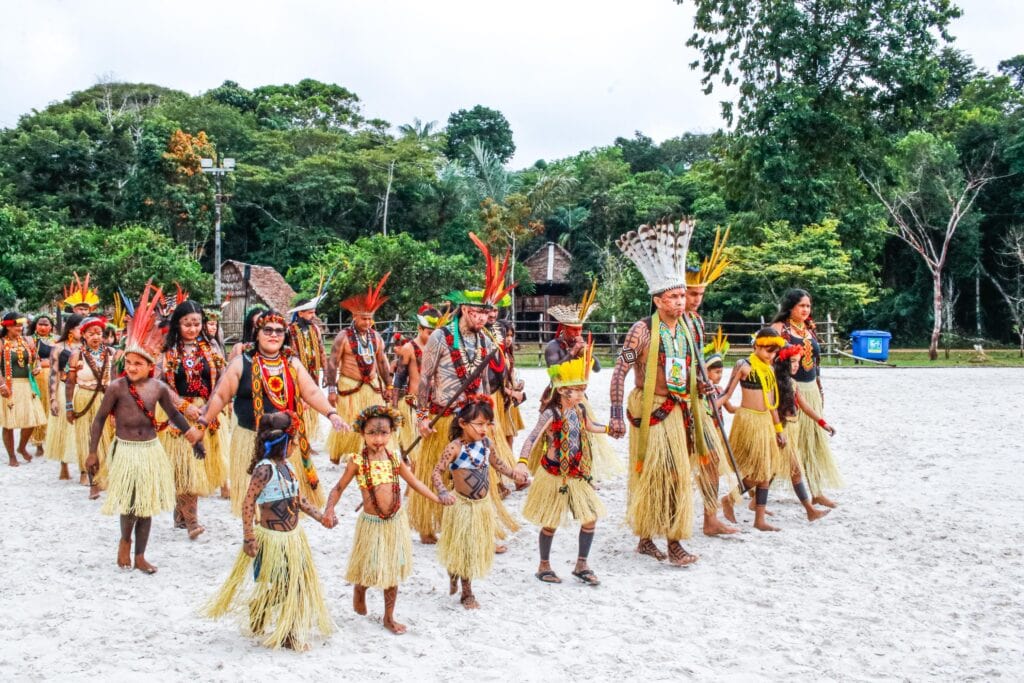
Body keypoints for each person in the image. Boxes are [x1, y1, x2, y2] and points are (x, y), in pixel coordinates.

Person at [86, 284, 203, 573]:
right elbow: (99, 419)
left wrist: (193, 438)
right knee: (130, 502)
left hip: (150, 449)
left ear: (150, 366)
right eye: (128, 362)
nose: (132, 367)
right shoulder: (116, 388)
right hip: (125, 449)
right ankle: (125, 540)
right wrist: (92, 452)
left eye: (138, 363)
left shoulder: (158, 388)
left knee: (147, 505)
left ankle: (141, 555)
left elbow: (174, 415)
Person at [608, 219, 705, 566]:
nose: (681, 302)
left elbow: (691, 370)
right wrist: (616, 415)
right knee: (652, 472)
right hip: (649, 408)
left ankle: (672, 539)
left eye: (682, 296)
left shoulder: (689, 328)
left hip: (678, 409)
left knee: (677, 473)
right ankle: (649, 537)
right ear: (657, 300)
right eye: (673, 297)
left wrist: (701, 385)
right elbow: (620, 371)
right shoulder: (641, 332)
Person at [409, 233, 514, 545]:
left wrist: (488, 417)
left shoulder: (485, 341)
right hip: (443, 415)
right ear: (466, 310)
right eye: (478, 312)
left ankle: (481, 529)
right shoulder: (440, 337)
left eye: (487, 313)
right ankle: (428, 524)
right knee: (437, 469)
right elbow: (425, 379)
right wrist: (422, 417)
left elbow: (483, 383)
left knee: (476, 472)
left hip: (471, 419)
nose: (484, 318)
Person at [204, 411, 334, 650]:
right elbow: (248, 503)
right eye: (293, 441)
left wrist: (321, 517)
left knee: (295, 585)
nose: (296, 445)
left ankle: (260, 607)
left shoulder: (288, 466)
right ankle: (288, 635)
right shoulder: (264, 469)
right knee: (290, 587)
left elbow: (300, 500)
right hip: (272, 540)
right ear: (282, 442)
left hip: (293, 538)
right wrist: (248, 537)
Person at [200, 309, 350, 515]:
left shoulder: (291, 362)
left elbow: (312, 392)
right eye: (268, 330)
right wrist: (202, 423)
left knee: (285, 502)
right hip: (250, 440)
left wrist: (332, 414)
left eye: (279, 331)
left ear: (284, 335)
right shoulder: (241, 363)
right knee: (255, 504)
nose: (273, 335)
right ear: (257, 334)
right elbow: (220, 396)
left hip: (285, 442)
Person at [323, 405, 448, 635]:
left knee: (391, 569)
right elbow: (338, 488)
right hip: (371, 524)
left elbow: (415, 483)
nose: (378, 439)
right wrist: (329, 509)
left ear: (392, 433)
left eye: (383, 433)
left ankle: (389, 617)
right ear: (362, 433)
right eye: (372, 433)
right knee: (368, 566)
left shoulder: (395, 459)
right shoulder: (357, 461)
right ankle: (360, 589)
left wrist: (438, 498)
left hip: (394, 524)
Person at [518, 338, 607, 586]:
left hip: (576, 473)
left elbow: (590, 426)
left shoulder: (580, 410)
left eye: (582, 389)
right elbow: (532, 437)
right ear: (561, 390)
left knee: (590, 517)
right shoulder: (551, 413)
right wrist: (522, 462)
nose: (580, 394)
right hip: (554, 474)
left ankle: (582, 564)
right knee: (551, 521)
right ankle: (544, 565)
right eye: (575, 390)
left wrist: (610, 429)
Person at [432, 396, 525, 609]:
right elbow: (436, 472)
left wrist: (514, 474)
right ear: (462, 423)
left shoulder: (486, 444)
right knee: (464, 548)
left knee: (472, 547)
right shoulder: (454, 448)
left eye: (488, 424)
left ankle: (459, 575)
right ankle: (467, 593)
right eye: (480, 424)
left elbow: (499, 465)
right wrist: (443, 491)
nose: (484, 429)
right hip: (462, 506)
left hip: (481, 506)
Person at [683, 229, 741, 536]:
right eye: (690, 294)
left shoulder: (697, 322)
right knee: (674, 466)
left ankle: (710, 519)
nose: (696, 300)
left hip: (699, 401)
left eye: (700, 294)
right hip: (670, 404)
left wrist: (702, 381)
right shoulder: (652, 326)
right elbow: (629, 359)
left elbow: (694, 362)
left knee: (712, 459)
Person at [156, 300, 227, 539]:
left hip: (206, 413)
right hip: (177, 415)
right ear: (177, 324)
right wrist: (183, 406)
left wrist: (209, 406)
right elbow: (159, 383)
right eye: (187, 324)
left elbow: (222, 380)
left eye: (197, 324)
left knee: (195, 466)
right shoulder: (167, 351)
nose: (193, 329)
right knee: (186, 467)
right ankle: (192, 520)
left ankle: (181, 513)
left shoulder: (212, 348)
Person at [543, 280, 621, 482]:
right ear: (563, 329)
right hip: (558, 397)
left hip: (579, 397)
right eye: (573, 330)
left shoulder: (581, 345)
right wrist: (571, 353)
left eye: (579, 330)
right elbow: (554, 373)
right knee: (557, 437)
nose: (577, 334)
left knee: (584, 435)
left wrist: (587, 353)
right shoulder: (553, 347)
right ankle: (556, 473)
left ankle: (584, 473)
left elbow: (597, 368)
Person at [771, 289, 841, 507]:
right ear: (790, 307)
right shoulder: (779, 329)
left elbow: (816, 364)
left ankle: (816, 491)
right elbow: (767, 358)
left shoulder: (809, 329)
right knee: (787, 444)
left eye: (808, 306)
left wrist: (819, 388)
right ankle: (756, 490)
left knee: (813, 442)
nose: (805, 310)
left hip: (811, 390)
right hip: (791, 390)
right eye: (801, 305)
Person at [717, 328, 789, 532]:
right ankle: (730, 499)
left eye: (774, 352)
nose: (771, 355)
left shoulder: (769, 369)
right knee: (760, 472)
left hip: (765, 422)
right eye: (767, 350)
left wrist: (778, 429)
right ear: (756, 346)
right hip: (748, 421)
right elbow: (727, 393)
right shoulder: (744, 365)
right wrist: (710, 406)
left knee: (766, 471)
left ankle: (759, 519)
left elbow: (772, 404)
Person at [325, 274, 394, 465]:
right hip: (349, 385)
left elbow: (382, 363)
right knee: (348, 419)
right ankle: (339, 450)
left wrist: (389, 386)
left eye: (370, 319)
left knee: (372, 419)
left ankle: (367, 450)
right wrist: (331, 390)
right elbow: (332, 363)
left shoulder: (376, 337)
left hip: (372, 386)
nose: (368, 323)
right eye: (364, 319)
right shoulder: (343, 337)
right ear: (355, 317)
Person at [773, 344, 833, 522]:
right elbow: (771, 409)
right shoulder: (774, 383)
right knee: (795, 471)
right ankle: (810, 510)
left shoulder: (792, 383)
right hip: (781, 431)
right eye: (793, 361)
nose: (796, 366)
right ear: (784, 362)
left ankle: (738, 500)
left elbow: (805, 406)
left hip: (792, 429)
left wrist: (822, 423)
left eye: (798, 362)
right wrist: (778, 430)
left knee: (768, 473)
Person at [66, 315, 119, 499]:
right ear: (84, 335)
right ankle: (93, 482)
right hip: (85, 399)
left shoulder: (112, 352)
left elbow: (118, 378)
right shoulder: (77, 355)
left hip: (107, 399)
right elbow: (70, 383)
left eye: (98, 333)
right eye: (91, 333)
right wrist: (69, 407)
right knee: (89, 441)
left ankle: (107, 477)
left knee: (109, 440)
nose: (95, 337)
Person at [391, 303, 452, 459]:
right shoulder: (408, 348)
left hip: (436, 405)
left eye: (436, 333)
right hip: (414, 404)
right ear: (419, 328)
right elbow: (399, 378)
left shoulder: (442, 348)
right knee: (414, 454)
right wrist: (394, 406)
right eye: (430, 333)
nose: (433, 337)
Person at [1, 313, 47, 466]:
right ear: (8, 326)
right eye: (17, 325)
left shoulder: (27, 341)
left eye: (21, 325)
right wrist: (1, 385)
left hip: (27, 385)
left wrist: (37, 367)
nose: (20, 328)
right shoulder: (1, 342)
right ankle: (12, 456)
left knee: (33, 419)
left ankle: (21, 447)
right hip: (9, 386)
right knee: (9, 423)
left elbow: (36, 359)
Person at [45, 314, 84, 480]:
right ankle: (64, 466)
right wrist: (53, 399)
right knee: (63, 429)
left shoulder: (87, 347)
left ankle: (84, 470)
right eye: (80, 328)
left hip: (83, 390)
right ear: (70, 329)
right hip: (63, 389)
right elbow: (53, 374)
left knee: (83, 430)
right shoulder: (58, 348)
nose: (82, 331)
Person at [287, 295, 328, 444]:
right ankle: (296, 439)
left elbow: (322, 351)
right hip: (296, 376)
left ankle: (308, 440)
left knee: (311, 405)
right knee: (297, 405)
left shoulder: (315, 329)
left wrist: (327, 373)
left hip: (313, 375)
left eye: (313, 312)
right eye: (310, 313)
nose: (313, 316)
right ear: (300, 313)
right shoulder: (289, 331)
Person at [28, 315, 55, 457]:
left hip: (54, 378)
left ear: (51, 327)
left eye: (46, 324)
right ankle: (38, 442)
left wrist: (48, 363)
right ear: (35, 325)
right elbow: (29, 360)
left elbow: (61, 359)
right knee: (38, 409)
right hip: (36, 378)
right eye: (40, 324)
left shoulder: (57, 340)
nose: (43, 327)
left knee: (52, 408)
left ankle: (51, 441)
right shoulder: (29, 340)